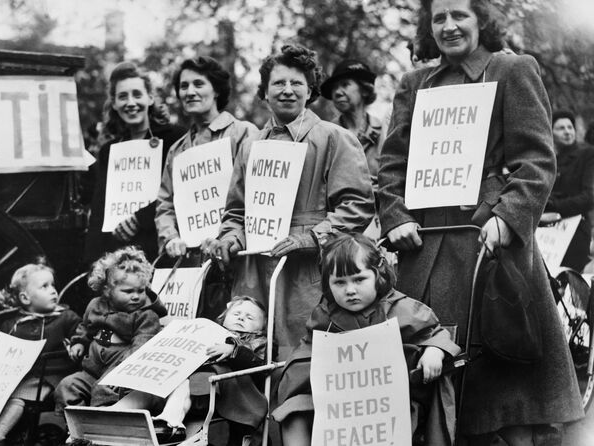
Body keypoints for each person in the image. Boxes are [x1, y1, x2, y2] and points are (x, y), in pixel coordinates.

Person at [377, 0, 583, 444]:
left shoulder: (512, 70)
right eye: (439, 18)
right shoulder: (414, 84)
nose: (449, 26)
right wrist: (394, 215)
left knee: (504, 395)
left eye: (460, 16)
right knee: (428, 388)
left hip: (492, 245)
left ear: (481, 21)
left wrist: (508, 217)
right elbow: (391, 165)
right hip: (425, 245)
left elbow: (536, 161)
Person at [204, 44, 375, 358]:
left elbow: (358, 204)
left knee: (302, 354)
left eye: (296, 83)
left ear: (310, 91)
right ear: (265, 92)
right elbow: (236, 210)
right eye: (278, 83)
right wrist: (230, 238)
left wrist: (310, 237)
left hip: (307, 271)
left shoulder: (333, 138)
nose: (287, 90)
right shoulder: (250, 145)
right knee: (246, 356)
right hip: (254, 269)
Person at [273, 233, 460, 446]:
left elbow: (435, 334)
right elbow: (304, 358)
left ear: (378, 275)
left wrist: (434, 351)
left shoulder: (402, 308)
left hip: (391, 404)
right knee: (293, 410)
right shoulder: (325, 317)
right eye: (339, 282)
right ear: (328, 285)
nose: (350, 290)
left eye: (359, 279)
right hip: (338, 406)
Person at [112, 295, 269, 446]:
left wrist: (234, 350)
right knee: (148, 390)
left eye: (250, 317)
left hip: (214, 392)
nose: (241, 318)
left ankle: (170, 423)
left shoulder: (257, 342)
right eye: (236, 313)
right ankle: (117, 412)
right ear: (224, 317)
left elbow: (259, 365)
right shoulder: (209, 332)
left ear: (262, 328)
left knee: (184, 384)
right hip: (183, 384)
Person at [83, 62, 186, 264]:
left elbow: (180, 193)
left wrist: (141, 218)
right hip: (119, 256)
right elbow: (99, 211)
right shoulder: (109, 151)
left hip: (161, 251)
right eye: (123, 96)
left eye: (137, 94)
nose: (131, 103)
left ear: (150, 98)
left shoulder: (175, 138)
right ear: (114, 103)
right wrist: (91, 264)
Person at [155, 57, 258, 258]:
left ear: (216, 90)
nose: (190, 92)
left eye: (199, 84)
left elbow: (255, 197)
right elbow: (165, 205)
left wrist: (231, 238)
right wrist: (171, 238)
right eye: (184, 86)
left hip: (236, 254)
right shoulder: (177, 150)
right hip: (191, 259)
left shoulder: (243, 133)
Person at [55, 246, 167, 412]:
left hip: (120, 373)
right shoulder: (96, 306)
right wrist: (78, 342)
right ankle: (78, 428)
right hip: (92, 371)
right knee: (67, 386)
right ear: (107, 291)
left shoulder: (146, 316)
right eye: (128, 291)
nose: (136, 296)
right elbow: (86, 327)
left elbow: (142, 346)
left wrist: (125, 371)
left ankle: (104, 427)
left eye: (141, 290)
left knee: (103, 392)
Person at [0, 263, 81, 446]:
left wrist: (78, 344)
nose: (53, 291)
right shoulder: (13, 324)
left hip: (49, 375)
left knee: (18, 396)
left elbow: (83, 333)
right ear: (25, 298)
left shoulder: (66, 317)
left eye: (53, 285)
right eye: (45, 286)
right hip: (17, 375)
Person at [320, 60, 382, 194]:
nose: (337, 92)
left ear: (364, 90)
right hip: (338, 212)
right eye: (334, 88)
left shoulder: (385, 132)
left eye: (345, 85)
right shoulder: (325, 136)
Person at [544, 110, 594, 272]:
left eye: (570, 127)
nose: (567, 131)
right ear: (550, 132)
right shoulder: (548, 160)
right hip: (548, 236)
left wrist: (553, 204)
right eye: (561, 128)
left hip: (575, 233)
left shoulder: (587, 155)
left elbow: (589, 196)